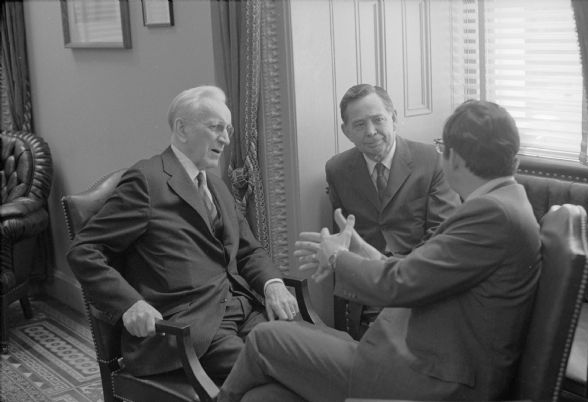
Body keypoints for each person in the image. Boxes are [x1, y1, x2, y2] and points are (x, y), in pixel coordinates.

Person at [218, 100, 542, 402]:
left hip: (429, 377)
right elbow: (425, 270)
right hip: (419, 352)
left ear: (455, 158)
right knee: (265, 397)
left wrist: (336, 257)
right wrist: (362, 250)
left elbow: (398, 283)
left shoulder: (490, 214)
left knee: (264, 339)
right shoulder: (505, 202)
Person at [67, 86, 299, 381]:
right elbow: (84, 250)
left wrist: (273, 284)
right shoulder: (147, 180)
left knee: (306, 353)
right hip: (188, 329)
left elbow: (248, 250)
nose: (226, 139)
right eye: (216, 128)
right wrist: (130, 304)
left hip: (243, 309)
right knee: (277, 375)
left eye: (227, 130)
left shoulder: (217, 186)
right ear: (182, 128)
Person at [326, 84, 459, 337]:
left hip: (419, 282)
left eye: (378, 120)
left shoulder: (431, 160)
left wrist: (397, 275)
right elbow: (344, 238)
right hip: (369, 291)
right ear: (346, 132)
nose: (371, 131)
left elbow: (442, 237)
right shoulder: (337, 169)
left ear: (394, 119)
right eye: (359, 124)